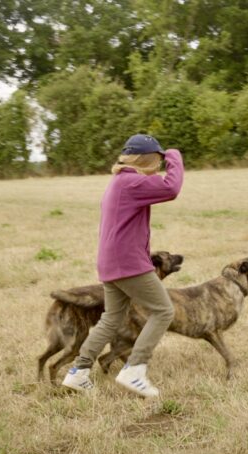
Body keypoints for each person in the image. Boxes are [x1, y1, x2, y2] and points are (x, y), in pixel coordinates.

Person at [61, 134, 183, 396]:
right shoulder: (132, 182)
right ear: (148, 160)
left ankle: (78, 372)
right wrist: (174, 155)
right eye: (159, 161)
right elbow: (171, 189)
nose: (161, 166)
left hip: (110, 262)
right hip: (129, 263)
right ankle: (134, 369)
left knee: (112, 317)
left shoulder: (120, 180)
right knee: (163, 311)